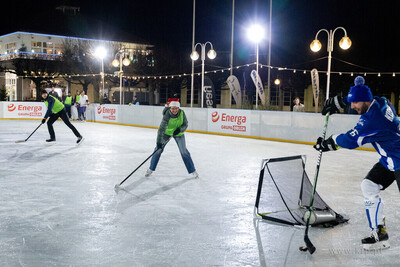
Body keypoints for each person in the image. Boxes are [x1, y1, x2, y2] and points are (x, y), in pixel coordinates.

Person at [314, 76, 400, 250]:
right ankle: (379, 234)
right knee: (368, 185)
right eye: (351, 103)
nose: (352, 107)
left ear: (365, 100)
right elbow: (361, 97)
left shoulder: (372, 120)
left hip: (398, 160)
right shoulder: (380, 102)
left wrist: (330, 142)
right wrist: (341, 101)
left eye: (354, 103)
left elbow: (350, 140)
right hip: (390, 158)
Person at [145, 101, 199, 178]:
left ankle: (192, 170)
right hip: (166, 133)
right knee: (158, 150)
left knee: (184, 152)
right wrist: (158, 142)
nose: (174, 110)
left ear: (178, 108)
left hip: (178, 134)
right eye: (173, 108)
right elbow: (161, 129)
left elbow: (185, 124)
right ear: (170, 108)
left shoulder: (182, 113)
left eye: (176, 108)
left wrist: (180, 129)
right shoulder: (167, 115)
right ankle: (151, 169)